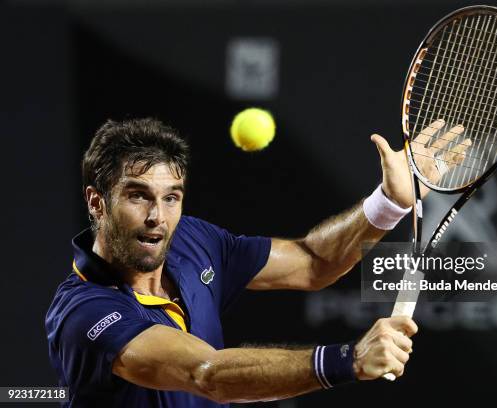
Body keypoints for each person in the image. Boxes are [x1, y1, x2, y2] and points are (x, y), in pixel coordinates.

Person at [45, 117, 468, 407]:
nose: (158, 217)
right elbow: (206, 373)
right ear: (97, 202)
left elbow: (310, 261)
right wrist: (347, 359)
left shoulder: (192, 239)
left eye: (171, 196)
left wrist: (389, 204)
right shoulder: (84, 313)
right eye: (138, 196)